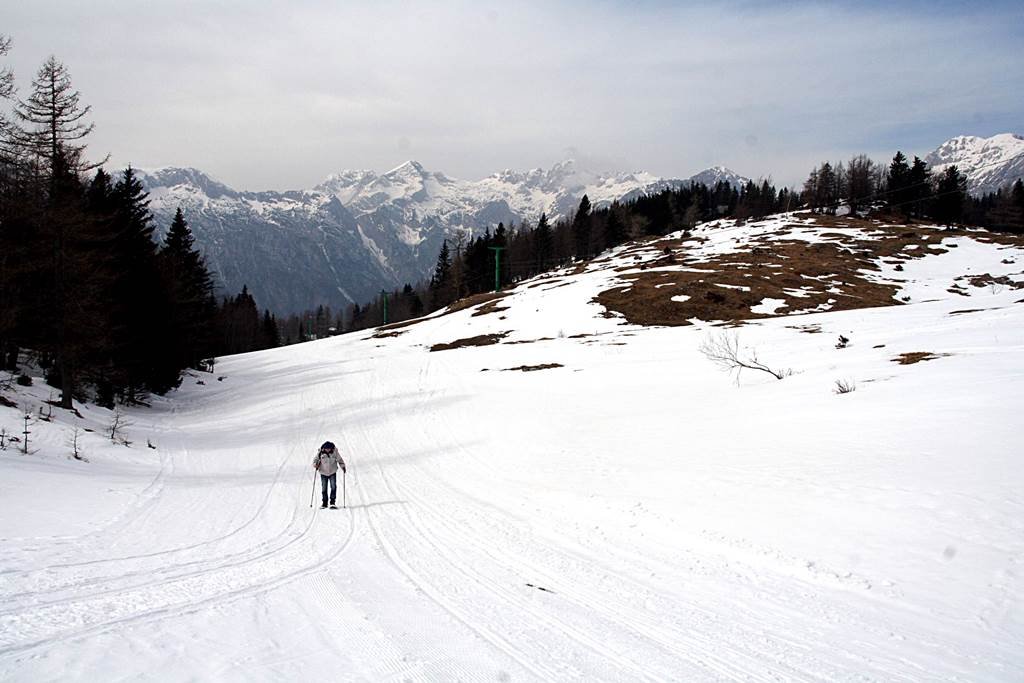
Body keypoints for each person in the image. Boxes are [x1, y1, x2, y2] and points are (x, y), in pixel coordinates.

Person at [313, 441, 346, 509]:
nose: (328, 450)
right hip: (323, 473)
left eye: (329, 449)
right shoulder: (320, 453)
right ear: (324, 448)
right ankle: (324, 503)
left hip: (332, 472)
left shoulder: (334, 452)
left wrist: (343, 466)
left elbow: (340, 460)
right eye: (326, 449)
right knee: (324, 488)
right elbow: (315, 460)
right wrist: (315, 464)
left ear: (331, 448)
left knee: (333, 487)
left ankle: (332, 502)